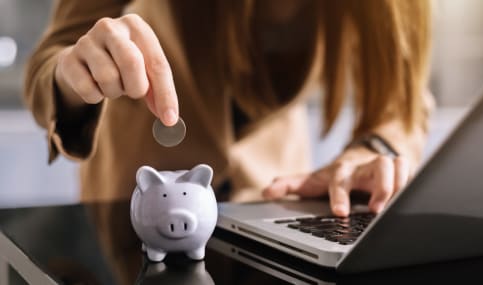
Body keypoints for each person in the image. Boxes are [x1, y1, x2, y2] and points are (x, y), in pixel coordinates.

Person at [24, 0, 433, 217]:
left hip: (272, 204)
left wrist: (378, 146)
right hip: (137, 212)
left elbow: (404, 97)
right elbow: (48, 65)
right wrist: (74, 74)